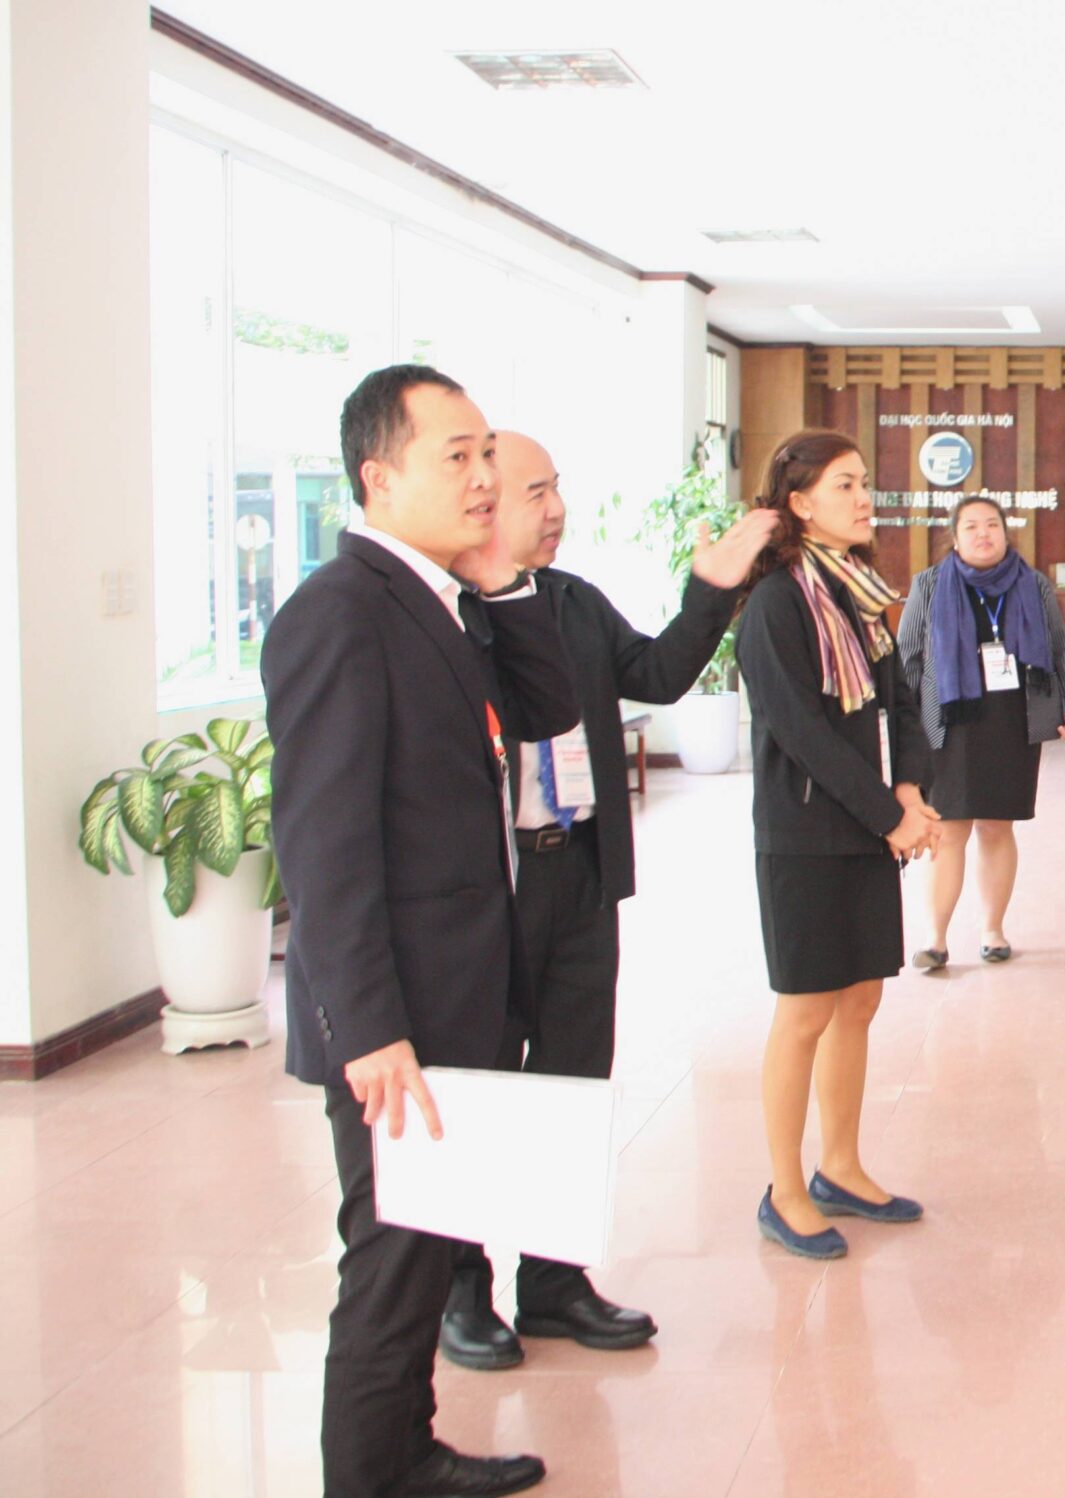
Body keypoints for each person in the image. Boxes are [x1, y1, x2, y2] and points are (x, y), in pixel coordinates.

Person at [264, 365, 579, 1498]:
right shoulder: (340, 612)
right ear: (379, 476)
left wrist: (501, 584)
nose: (485, 477)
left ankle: (408, 1451)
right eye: (458, 457)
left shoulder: (437, 595)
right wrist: (368, 1031)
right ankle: (368, 1474)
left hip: (456, 992)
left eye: (487, 453)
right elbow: (325, 846)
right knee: (392, 1266)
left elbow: (549, 710)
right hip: (397, 1018)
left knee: (430, 1239)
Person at [437, 433, 780, 1372]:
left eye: (559, 487)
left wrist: (711, 591)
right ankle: (460, 1290)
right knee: (479, 1087)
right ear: (480, 499)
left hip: (578, 872)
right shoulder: (442, 617)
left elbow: (657, 674)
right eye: (535, 491)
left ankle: (553, 1284)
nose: (555, 509)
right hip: (488, 889)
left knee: (572, 1079)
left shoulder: (571, 601)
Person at [734, 430, 937, 1258]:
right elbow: (802, 733)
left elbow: (901, 696)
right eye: (845, 485)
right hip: (805, 833)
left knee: (859, 1000)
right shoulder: (776, 603)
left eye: (864, 484)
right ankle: (785, 1191)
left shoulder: (855, 590)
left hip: (864, 825)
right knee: (806, 1010)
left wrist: (911, 788)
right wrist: (890, 816)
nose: (864, 498)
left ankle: (841, 1168)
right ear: (800, 503)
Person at [897, 493, 1065, 970]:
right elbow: (908, 658)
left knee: (997, 827)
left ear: (1005, 532)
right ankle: (936, 939)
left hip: (1011, 721)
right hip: (950, 720)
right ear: (955, 537)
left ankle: (993, 931)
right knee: (948, 828)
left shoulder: (1033, 584)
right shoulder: (929, 584)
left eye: (992, 525)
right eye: (972, 526)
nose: (983, 534)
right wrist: (903, 723)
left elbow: (1058, 650)